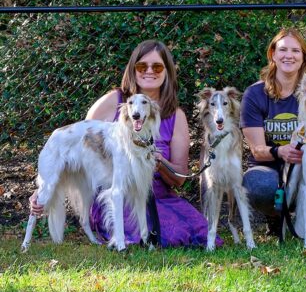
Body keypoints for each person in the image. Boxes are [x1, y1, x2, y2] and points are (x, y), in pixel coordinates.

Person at [26, 40, 212, 248]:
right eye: (142, 66)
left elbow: (179, 179)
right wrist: (43, 187)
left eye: (157, 67)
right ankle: (122, 237)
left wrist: (159, 162)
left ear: (167, 72)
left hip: (156, 196)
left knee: (196, 231)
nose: (149, 71)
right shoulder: (114, 100)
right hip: (115, 195)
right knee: (165, 237)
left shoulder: (176, 115)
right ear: (133, 70)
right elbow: (79, 144)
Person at [241, 28, 306, 235]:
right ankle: (275, 217)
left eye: (296, 51)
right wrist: (280, 151)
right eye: (283, 50)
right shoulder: (255, 94)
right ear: (273, 54)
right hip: (268, 168)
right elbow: (257, 150)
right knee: (260, 186)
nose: (289, 55)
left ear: (303, 58)